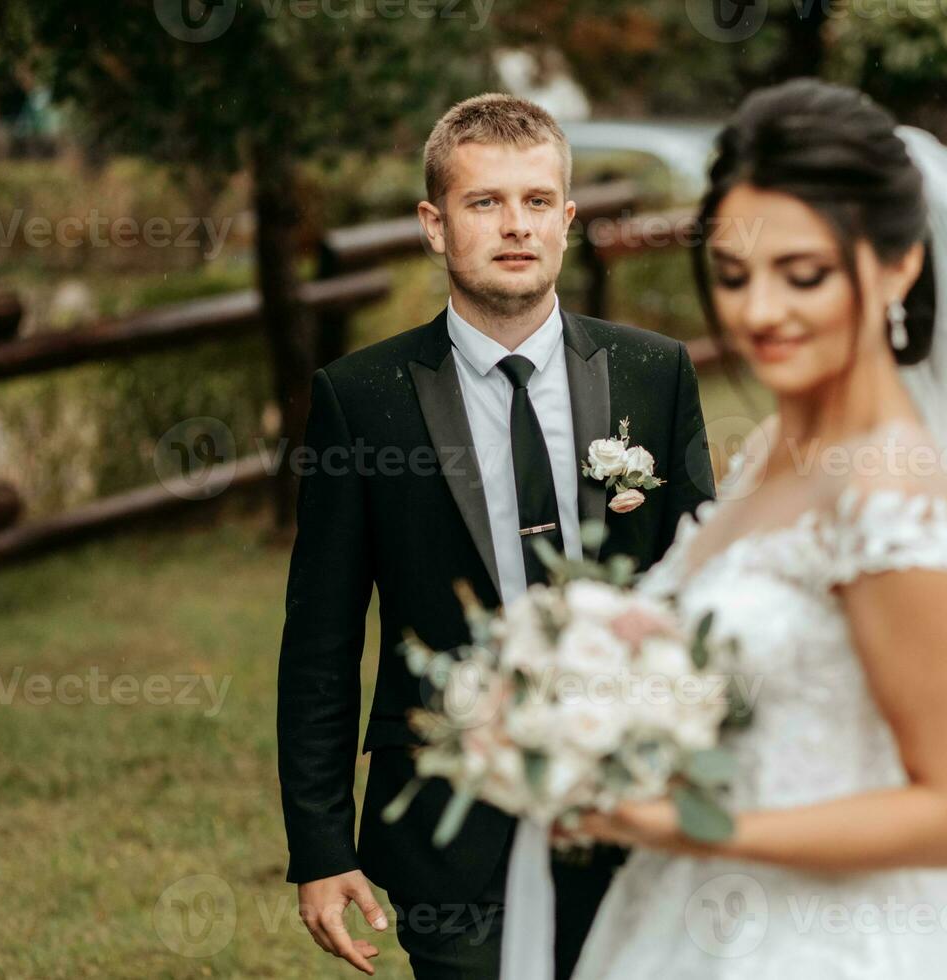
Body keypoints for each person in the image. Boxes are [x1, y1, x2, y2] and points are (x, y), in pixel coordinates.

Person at [502, 78, 947, 980]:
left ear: (898, 264)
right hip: (684, 920)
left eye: (802, 275)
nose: (759, 311)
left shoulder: (887, 490)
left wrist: (701, 827)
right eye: (732, 273)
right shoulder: (769, 450)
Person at [276, 92, 715, 979]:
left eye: (537, 201)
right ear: (435, 225)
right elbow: (321, 639)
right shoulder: (362, 400)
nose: (515, 226)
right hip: (447, 829)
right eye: (485, 203)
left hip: (631, 814)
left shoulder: (652, 375)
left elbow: (703, 599)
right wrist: (321, 846)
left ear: (568, 219)